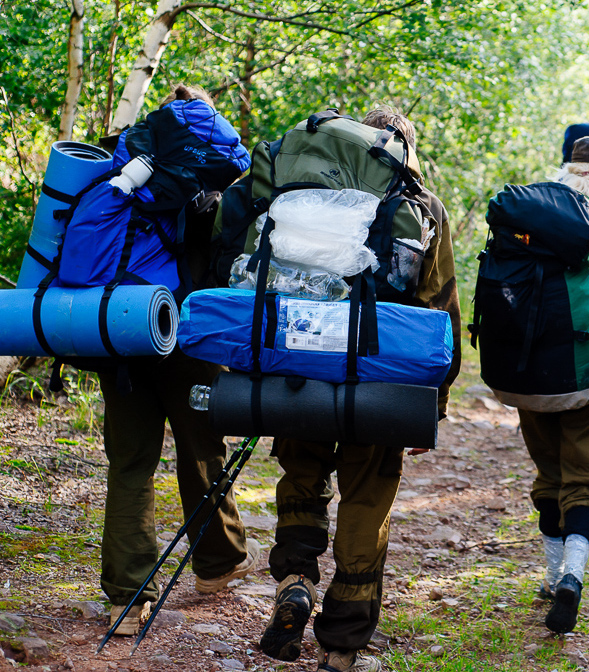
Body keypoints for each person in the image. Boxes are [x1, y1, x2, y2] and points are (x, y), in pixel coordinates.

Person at [259, 107, 461, 672]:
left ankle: (295, 581)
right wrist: (434, 401)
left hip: (299, 365)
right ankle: (341, 648)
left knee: (301, 478)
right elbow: (439, 306)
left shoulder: (303, 189)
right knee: (366, 504)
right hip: (379, 378)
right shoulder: (424, 208)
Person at [98, 84, 258, 636]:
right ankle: (217, 566)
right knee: (202, 449)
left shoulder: (119, 159)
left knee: (131, 463)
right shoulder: (215, 177)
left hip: (116, 330)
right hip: (187, 333)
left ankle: (127, 597)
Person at [490, 136, 589, 634]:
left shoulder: (526, 220)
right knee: (586, 479)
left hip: (523, 373)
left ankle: (550, 573)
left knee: (549, 474)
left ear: (568, 171)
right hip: (586, 378)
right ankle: (572, 579)